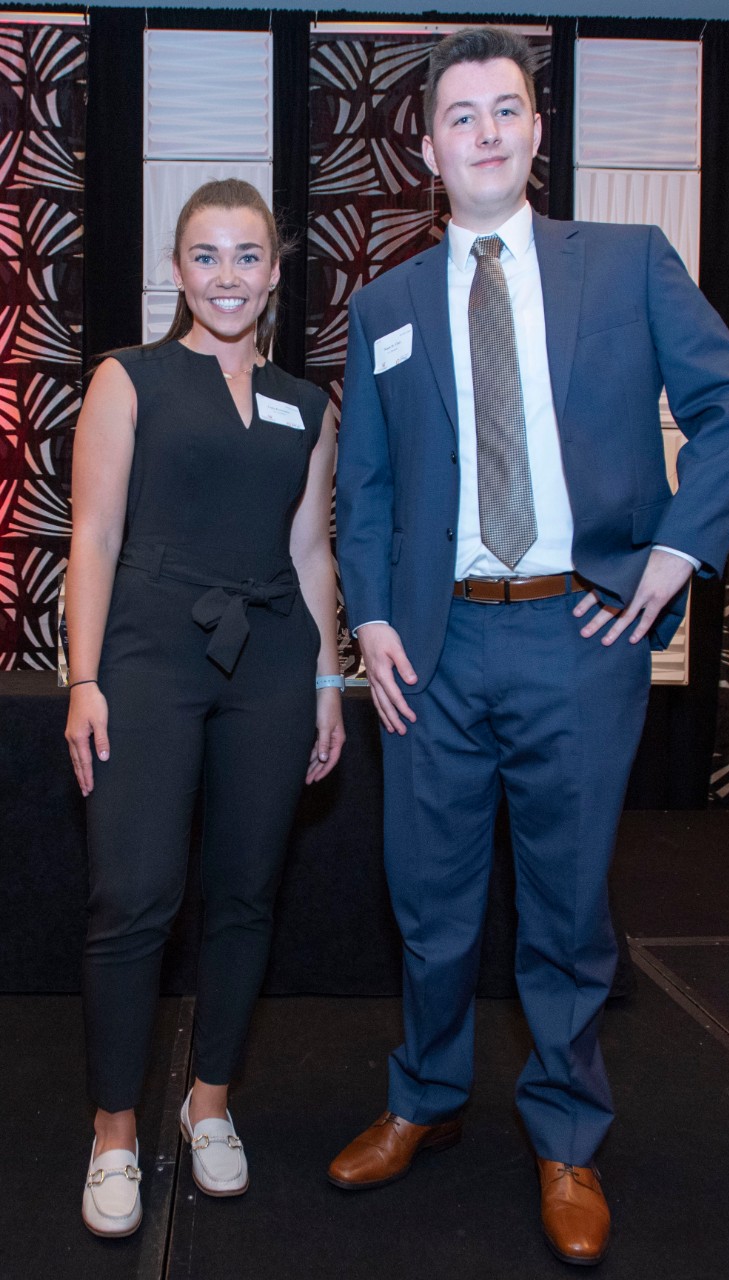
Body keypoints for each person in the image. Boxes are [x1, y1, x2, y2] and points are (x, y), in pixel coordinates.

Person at [331, 27, 729, 1266]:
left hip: (578, 634)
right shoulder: (386, 304)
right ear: (426, 145)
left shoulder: (623, 264)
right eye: (457, 114)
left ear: (533, 131)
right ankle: (424, 1094)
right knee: (428, 901)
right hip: (432, 647)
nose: (481, 132)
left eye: (502, 110)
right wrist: (365, 617)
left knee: (567, 911)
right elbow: (363, 490)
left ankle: (566, 1136)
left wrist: (675, 556)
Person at [66, 178, 344, 1238]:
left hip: (271, 657)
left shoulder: (308, 403)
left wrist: (326, 677)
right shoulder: (127, 379)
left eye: (246, 256)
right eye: (205, 255)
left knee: (245, 892)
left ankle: (210, 1100)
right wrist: (83, 677)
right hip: (147, 649)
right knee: (133, 897)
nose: (226, 276)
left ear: (274, 273)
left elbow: (309, 548)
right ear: (176, 271)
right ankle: (115, 1127)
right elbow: (90, 535)